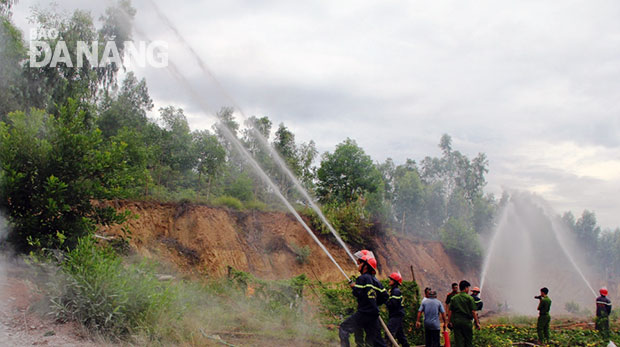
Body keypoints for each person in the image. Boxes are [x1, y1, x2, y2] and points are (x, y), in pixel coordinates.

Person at [339, 250, 388, 347]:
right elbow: (385, 296)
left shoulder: (362, 278)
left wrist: (354, 287)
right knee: (376, 341)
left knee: (344, 328)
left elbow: (358, 292)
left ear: (366, 266)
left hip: (364, 313)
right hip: (373, 315)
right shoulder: (376, 281)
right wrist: (374, 302)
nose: (358, 264)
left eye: (360, 262)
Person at [447, 280, 480, 347]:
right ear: (466, 288)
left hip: (457, 322)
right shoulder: (469, 298)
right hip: (466, 322)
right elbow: (473, 312)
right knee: (468, 341)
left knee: (458, 341)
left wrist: (449, 321)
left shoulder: (454, 298)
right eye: (468, 288)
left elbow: (450, 311)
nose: (468, 290)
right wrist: (477, 323)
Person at [385, 272, 410, 347]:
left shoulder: (396, 292)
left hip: (396, 316)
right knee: (400, 336)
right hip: (396, 315)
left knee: (389, 333)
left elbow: (393, 304)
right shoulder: (393, 291)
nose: (390, 281)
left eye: (391, 279)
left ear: (395, 282)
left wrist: (385, 300)